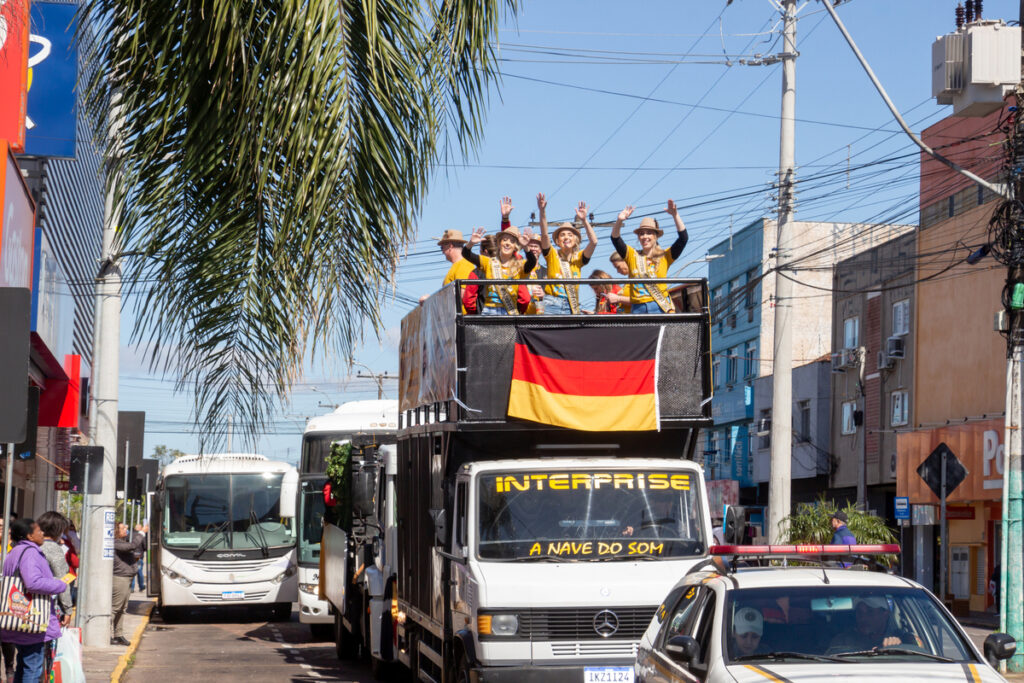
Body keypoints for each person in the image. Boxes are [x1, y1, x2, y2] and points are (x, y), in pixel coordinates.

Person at [0, 518, 70, 683]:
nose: (42, 533)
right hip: (31, 620)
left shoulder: (15, 551)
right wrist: (59, 584)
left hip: (18, 615)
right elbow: (32, 582)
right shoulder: (30, 553)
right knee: (33, 666)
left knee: (23, 663)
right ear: (29, 536)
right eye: (39, 530)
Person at [610, 199, 689, 314]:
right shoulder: (632, 255)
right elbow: (615, 238)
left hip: (659, 307)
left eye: (649, 233)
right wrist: (619, 220)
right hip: (638, 309)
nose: (645, 237)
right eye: (641, 234)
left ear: (656, 236)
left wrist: (675, 215)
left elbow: (683, 238)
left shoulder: (665, 255)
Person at [536, 193, 598, 314]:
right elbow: (544, 235)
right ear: (557, 241)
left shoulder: (578, 258)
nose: (566, 237)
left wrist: (584, 220)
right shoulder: (552, 255)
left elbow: (594, 242)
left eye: (570, 235)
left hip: (572, 305)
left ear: (575, 240)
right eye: (562, 235)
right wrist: (542, 211)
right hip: (551, 303)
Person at [462, 227, 536, 315]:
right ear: (499, 243)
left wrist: (526, 247)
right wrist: (470, 243)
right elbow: (466, 254)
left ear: (515, 247)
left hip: (509, 312)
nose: (507, 243)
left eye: (512, 241)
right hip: (490, 311)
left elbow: (532, 262)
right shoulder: (489, 262)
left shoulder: (519, 266)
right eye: (504, 240)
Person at [36, 512, 73, 632]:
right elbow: (63, 580)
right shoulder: (54, 549)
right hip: (46, 605)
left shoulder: (32, 544)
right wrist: (68, 609)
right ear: (58, 530)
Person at [828, 596, 907, 652]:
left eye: (870, 611)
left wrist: (896, 648)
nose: (863, 618)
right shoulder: (843, 641)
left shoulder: (901, 639)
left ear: (885, 614)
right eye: (859, 612)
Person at [112, 522, 143, 646]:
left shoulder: (121, 542)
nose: (126, 529)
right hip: (120, 579)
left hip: (127, 578)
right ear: (116, 531)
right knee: (115, 608)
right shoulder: (115, 542)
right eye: (123, 528)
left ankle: (118, 634)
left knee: (122, 608)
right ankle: (104, 634)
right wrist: (142, 533)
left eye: (126, 527)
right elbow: (132, 546)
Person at [131, 524, 148, 592]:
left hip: (131, 555)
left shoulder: (130, 535)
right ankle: (141, 586)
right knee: (139, 571)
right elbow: (145, 546)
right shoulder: (141, 536)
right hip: (138, 555)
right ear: (140, 529)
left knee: (132, 571)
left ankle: (132, 587)